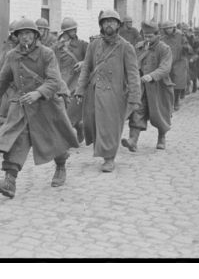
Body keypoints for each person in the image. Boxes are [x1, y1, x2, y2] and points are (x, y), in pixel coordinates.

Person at [0, 18, 79, 197]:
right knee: (17, 141)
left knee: (55, 139)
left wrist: (38, 93)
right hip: (23, 106)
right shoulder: (12, 55)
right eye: (21, 34)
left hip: (47, 104)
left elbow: (54, 80)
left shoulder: (47, 54)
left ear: (36, 35)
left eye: (28, 33)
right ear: (16, 37)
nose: (25, 37)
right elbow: (3, 80)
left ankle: (60, 167)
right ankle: (9, 182)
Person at [75, 9, 141, 172]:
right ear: (101, 25)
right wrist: (80, 90)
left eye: (112, 22)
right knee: (94, 124)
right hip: (95, 91)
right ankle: (103, 151)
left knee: (111, 126)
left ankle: (109, 158)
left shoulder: (126, 47)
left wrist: (134, 97)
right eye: (105, 22)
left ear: (118, 25)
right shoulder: (94, 45)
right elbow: (86, 69)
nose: (108, 25)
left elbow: (133, 74)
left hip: (115, 93)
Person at [122, 21, 173, 152]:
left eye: (150, 36)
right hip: (142, 87)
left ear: (158, 35)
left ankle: (161, 138)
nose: (147, 39)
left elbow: (165, 68)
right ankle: (133, 140)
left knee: (160, 113)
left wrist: (152, 76)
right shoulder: (139, 47)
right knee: (137, 110)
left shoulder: (164, 49)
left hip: (159, 87)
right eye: (145, 36)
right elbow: (130, 63)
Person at [53, 17, 89, 143]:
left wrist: (83, 63)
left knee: (70, 111)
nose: (74, 31)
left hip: (76, 83)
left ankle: (68, 135)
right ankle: (78, 127)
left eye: (75, 29)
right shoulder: (56, 47)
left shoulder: (82, 45)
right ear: (65, 32)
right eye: (71, 30)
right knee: (60, 111)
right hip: (61, 83)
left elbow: (93, 58)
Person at [160, 20, 192, 111]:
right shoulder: (162, 38)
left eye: (170, 28)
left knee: (178, 82)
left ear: (174, 28)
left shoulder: (180, 35)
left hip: (179, 61)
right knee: (167, 82)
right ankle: (169, 101)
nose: (168, 30)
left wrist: (186, 47)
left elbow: (187, 46)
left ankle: (176, 101)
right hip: (167, 62)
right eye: (166, 28)